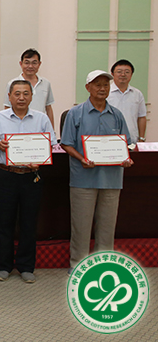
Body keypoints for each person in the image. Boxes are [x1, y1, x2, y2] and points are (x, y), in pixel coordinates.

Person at [0, 80, 56, 284]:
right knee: (4, 222)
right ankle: (4, 266)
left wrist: (40, 160)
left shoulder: (41, 119)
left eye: (26, 93)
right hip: (6, 175)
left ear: (32, 96)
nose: (21, 98)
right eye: (17, 94)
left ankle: (26, 266)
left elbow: (50, 145)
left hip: (31, 176)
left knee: (29, 223)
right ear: (9, 96)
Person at [61, 70, 133, 272]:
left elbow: (125, 144)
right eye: (97, 84)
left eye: (106, 85)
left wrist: (125, 159)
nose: (102, 88)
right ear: (88, 88)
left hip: (111, 180)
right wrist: (81, 158)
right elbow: (66, 143)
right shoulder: (75, 113)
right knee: (81, 226)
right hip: (83, 179)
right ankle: (79, 266)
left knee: (107, 227)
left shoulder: (117, 115)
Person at [4, 48, 55, 129]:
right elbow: (7, 108)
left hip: (39, 127)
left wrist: (51, 130)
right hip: (18, 127)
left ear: (39, 64)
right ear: (21, 64)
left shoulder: (46, 83)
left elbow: (48, 108)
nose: (30, 66)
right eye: (27, 63)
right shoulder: (12, 84)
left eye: (34, 63)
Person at [107, 59, 147, 144]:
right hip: (109, 140)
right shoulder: (106, 93)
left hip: (132, 141)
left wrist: (141, 138)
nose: (123, 74)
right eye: (119, 72)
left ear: (131, 75)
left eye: (127, 72)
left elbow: (142, 117)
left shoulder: (137, 94)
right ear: (112, 74)